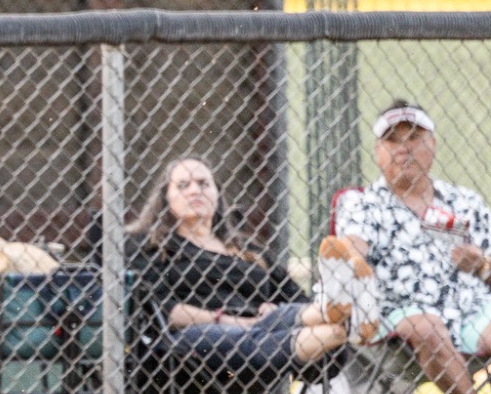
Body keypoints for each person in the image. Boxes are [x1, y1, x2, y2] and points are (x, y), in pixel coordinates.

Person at [326, 100, 491, 394]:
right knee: (427, 325)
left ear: (433, 145)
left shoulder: (464, 201)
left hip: (468, 308)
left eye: (414, 137)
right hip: (397, 317)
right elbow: (350, 249)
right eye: (393, 140)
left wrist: (482, 262)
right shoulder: (362, 205)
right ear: (378, 153)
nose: (405, 147)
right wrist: (350, 256)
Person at [129, 156, 352, 369]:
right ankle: (348, 319)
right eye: (183, 185)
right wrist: (226, 320)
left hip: (266, 326)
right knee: (251, 337)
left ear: (217, 194)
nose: (195, 191)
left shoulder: (247, 249)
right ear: (165, 198)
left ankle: (344, 318)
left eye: (204, 183)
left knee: (316, 332)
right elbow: (161, 307)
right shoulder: (153, 247)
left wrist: (273, 308)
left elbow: (296, 297)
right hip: (199, 340)